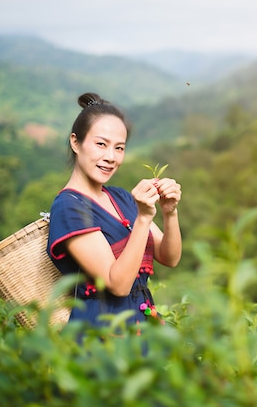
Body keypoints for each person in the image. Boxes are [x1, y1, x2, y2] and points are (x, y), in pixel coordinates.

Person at [46, 92, 182, 334]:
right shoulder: (69, 207)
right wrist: (143, 217)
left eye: (119, 148)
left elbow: (169, 257)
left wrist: (169, 213)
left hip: (139, 325)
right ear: (76, 142)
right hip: (102, 336)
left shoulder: (119, 197)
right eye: (101, 144)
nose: (110, 157)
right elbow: (117, 285)